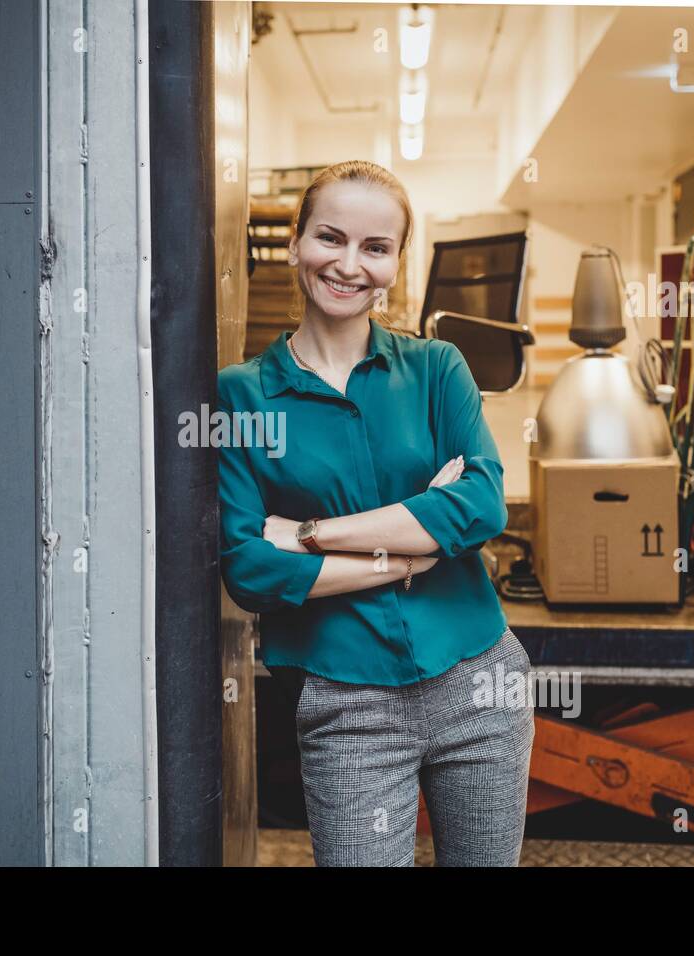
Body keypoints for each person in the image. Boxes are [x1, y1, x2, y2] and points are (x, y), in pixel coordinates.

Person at [217, 160, 534, 866]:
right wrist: (413, 546)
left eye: (375, 248)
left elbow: (479, 505)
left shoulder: (437, 368)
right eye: (330, 238)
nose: (349, 266)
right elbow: (249, 570)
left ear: (395, 260)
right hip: (346, 701)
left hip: (479, 679)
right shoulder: (240, 398)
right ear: (297, 242)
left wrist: (308, 534)